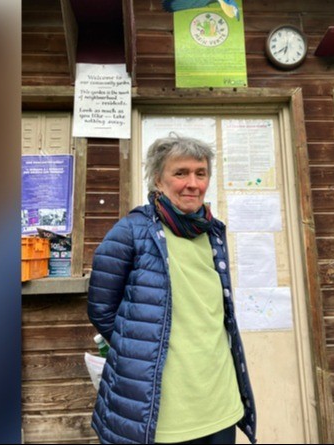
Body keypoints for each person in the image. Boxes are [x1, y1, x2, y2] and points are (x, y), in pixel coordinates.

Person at [87, 135, 257, 444]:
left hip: (220, 400)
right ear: (157, 179)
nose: (193, 183)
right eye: (180, 173)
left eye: (200, 173)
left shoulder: (212, 231)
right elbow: (102, 310)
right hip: (162, 411)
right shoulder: (130, 232)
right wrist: (140, 350)